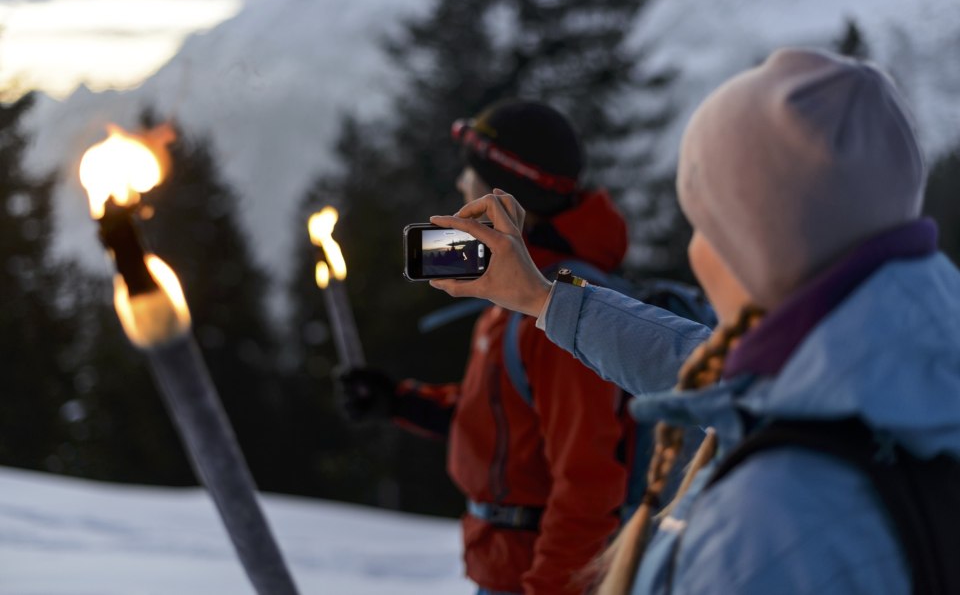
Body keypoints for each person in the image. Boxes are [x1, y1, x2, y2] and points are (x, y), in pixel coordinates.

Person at [429, 48, 960, 594]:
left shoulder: (767, 527)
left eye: (704, 225)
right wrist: (543, 300)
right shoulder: (892, 374)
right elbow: (693, 361)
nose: (694, 250)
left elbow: (592, 475)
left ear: (749, 245)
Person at [338, 99, 702, 594]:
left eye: (469, 172)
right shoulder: (516, 291)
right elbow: (508, 421)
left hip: (533, 574)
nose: (459, 184)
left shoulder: (558, 310)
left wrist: (549, 588)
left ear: (502, 196)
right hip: (504, 563)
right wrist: (401, 401)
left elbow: (589, 485)